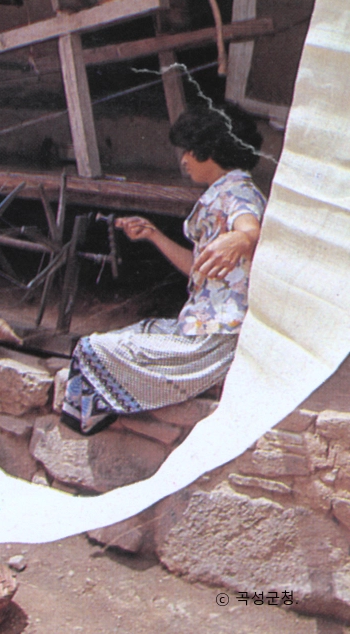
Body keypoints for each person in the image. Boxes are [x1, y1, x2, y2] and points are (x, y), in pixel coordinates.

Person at [60, 105, 267, 435]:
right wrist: (153, 235)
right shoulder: (220, 193)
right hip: (198, 327)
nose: (183, 160)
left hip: (215, 339)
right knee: (124, 337)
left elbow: (250, 226)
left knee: (91, 348)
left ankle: (87, 420)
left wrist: (242, 238)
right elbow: (198, 270)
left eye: (187, 151)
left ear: (207, 150)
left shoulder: (238, 192)